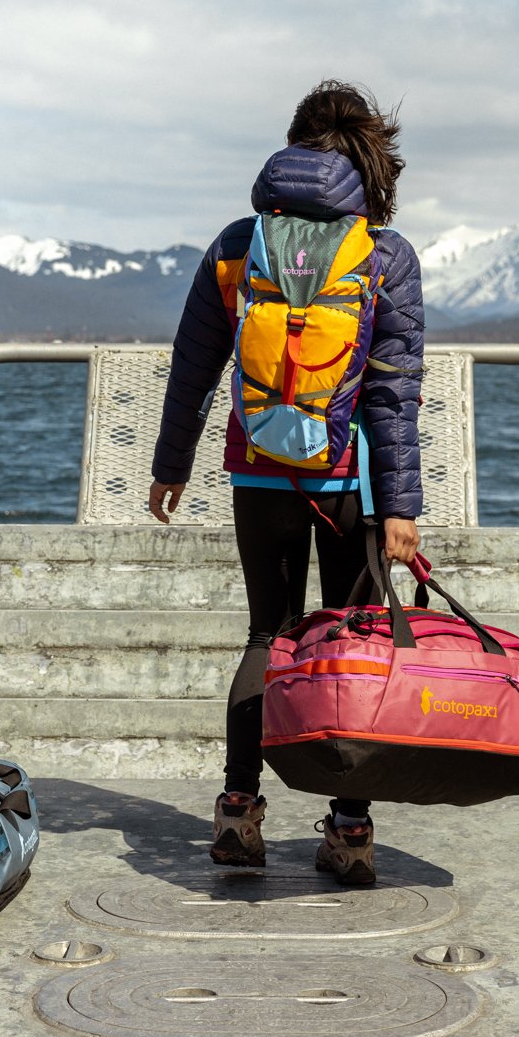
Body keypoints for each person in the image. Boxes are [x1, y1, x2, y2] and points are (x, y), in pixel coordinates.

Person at [147, 80, 425, 886]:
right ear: (366, 160)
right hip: (348, 482)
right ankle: (347, 831)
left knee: (266, 637)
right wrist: (400, 507)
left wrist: (172, 464)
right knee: (346, 647)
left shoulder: (239, 244)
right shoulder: (383, 255)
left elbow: (194, 365)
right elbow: (391, 391)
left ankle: (238, 814)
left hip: (258, 472)